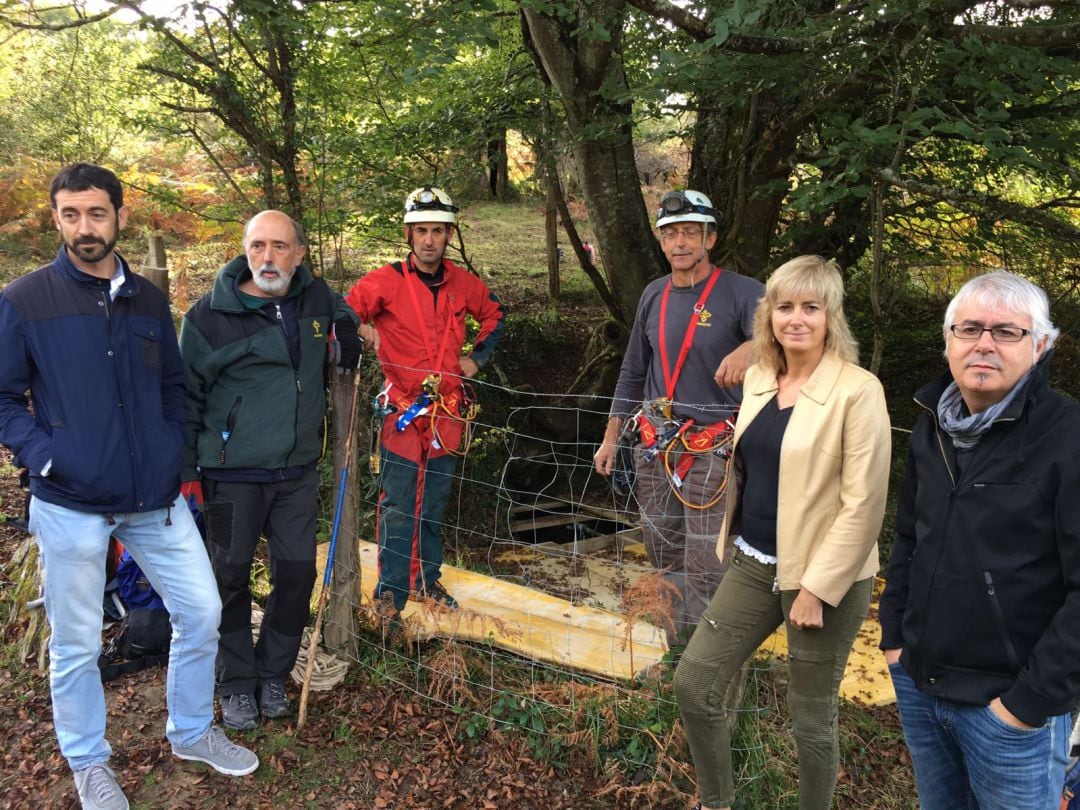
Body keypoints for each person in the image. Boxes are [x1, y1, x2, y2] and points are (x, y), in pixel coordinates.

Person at [0, 163, 258, 810]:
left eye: (96, 213)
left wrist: (172, 448)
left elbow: (172, 384)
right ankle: (89, 762)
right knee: (79, 642)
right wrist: (47, 459)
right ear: (57, 218)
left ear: (119, 215)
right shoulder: (25, 301)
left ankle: (192, 730)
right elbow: (4, 399)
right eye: (70, 214)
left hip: (154, 499)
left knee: (201, 611)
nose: (84, 227)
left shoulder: (147, 298)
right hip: (72, 506)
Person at [674, 256, 891, 810]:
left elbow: (864, 503)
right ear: (769, 313)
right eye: (785, 306)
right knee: (695, 684)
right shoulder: (759, 379)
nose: (797, 319)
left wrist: (817, 589)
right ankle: (717, 801)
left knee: (810, 717)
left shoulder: (858, 391)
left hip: (822, 576)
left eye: (811, 308)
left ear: (830, 316)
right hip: (754, 560)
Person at [879, 270, 1079, 810]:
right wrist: (895, 640)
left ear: (1040, 346)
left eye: (1006, 332)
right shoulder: (933, 427)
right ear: (948, 342)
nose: (984, 343)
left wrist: (1026, 704)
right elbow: (908, 539)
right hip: (921, 685)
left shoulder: (1067, 437)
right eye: (969, 329)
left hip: (1009, 709)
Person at [179, 210, 361, 730]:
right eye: (257, 246)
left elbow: (344, 314)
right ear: (244, 250)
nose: (267, 258)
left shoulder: (314, 298)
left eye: (279, 247)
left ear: (299, 254)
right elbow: (184, 396)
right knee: (229, 577)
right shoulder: (208, 316)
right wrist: (187, 468)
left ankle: (273, 674)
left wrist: (347, 333)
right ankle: (235, 681)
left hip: (298, 472)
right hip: (231, 475)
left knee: (297, 574)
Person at [593, 190, 764, 642]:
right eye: (671, 233)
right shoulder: (654, 294)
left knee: (707, 559)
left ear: (710, 237)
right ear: (661, 240)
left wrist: (754, 345)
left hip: (714, 449)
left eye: (690, 231)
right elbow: (633, 369)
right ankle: (676, 651)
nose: (680, 242)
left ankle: (709, 665)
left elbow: (787, 342)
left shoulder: (744, 293)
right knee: (662, 551)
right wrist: (611, 437)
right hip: (654, 447)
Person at [345, 185, 504, 625]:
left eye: (437, 230)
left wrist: (475, 358)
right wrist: (362, 330)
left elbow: (495, 315)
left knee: (433, 502)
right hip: (403, 411)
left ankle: (426, 581)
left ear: (449, 234)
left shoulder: (463, 283)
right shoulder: (385, 281)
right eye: (422, 231)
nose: (429, 239)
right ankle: (389, 595)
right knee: (397, 503)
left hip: (447, 413)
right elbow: (342, 311)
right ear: (409, 234)